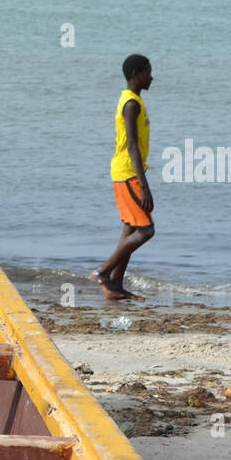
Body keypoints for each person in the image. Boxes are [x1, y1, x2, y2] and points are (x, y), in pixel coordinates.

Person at [91, 54, 154, 301]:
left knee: (130, 227)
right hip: (128, 174)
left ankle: (115, 284)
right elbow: (133, 147)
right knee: (146, 230)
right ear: (136, 74)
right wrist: (145, 187)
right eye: (148, 72)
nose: (152, 77)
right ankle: (103, 272)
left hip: (128, 173)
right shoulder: (131, 104)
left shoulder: (134, 100)